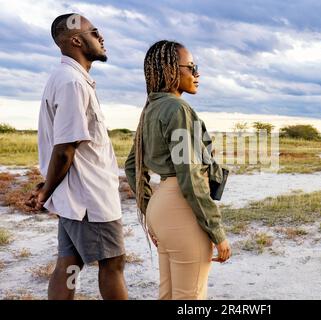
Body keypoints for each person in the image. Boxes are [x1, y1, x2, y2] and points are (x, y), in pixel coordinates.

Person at [29, 13, 128, 300]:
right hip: (90, 201)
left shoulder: (68, 79)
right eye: (95, 32)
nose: (101, 37)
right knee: (113, 264)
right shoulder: (72, 82)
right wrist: (47, 190)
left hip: (76, 199)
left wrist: (47, 187)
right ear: (75, 40)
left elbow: (66, 148)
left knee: (69, 265)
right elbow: (65, 148)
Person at [125, 40, 231, 300]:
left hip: (161, 207)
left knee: (169, 294)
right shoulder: (178, 109)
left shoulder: (151, 108)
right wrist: (217, 232)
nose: (197, 74)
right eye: (191, 67)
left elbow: (132, 166)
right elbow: (191, 177)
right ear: (171, 69)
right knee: (189, 299)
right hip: (181, 208)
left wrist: (149, 209)